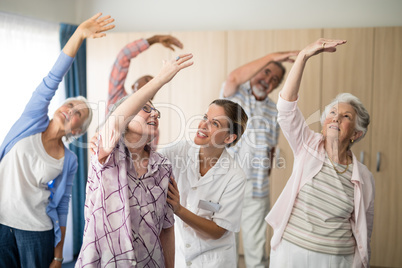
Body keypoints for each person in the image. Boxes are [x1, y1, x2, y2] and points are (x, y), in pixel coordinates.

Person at [0, 13, 114, 268]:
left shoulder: (69, 160)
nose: (71, 111)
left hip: (36, 232)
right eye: (70, 104)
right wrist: (79, 34)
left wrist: (58, 255)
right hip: (1, 224)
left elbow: (62, 207)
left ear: (77, 130)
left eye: (78, 114)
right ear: (58, 106)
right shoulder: (31, 120)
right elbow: (53, 77)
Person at [266, 38, 375, 268]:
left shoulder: (363, 176)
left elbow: (365, 227)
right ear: (325, 122)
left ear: (356, 134)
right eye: (332, 112)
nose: (336, 117)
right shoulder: (308, 145)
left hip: (336, 259)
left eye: (346, 116)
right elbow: (286, 107)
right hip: (291, 252)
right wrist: (304, 56)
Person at [77, 53, 194, 267]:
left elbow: (167, 228)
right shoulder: (106, 154)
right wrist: (159, 80)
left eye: (156, 112)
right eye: (146, 109)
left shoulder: (163, 167)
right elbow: (114, 122)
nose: (155, 115)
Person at [220, 50, 299, 267]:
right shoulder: (234, 96)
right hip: (226, 186)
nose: (267, 81)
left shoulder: (274, 110)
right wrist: (274, 57)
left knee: (256, 246)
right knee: (226, 245)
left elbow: (272, 148)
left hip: (256, 188)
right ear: (255, 71)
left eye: (274, 80)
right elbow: (234, 77)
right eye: (265, 73)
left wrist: (264, 175)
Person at [160, 99, 249, 267]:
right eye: (205, 117)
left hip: (214, 261)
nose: (203, 125)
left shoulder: (234, 176)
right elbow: (146, 160)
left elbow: (218, 231)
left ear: (229, 137)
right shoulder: (179, 151)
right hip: (180, 257)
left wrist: (178, 209)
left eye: (214, 123)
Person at [107, 35, 183, 150]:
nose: (151, 84)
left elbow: (149, 158)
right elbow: (123, 56)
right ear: (133, 86)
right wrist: (155, 39)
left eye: (153, 83)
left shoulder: (152, 125)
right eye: (147, 80)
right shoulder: (116, 97)